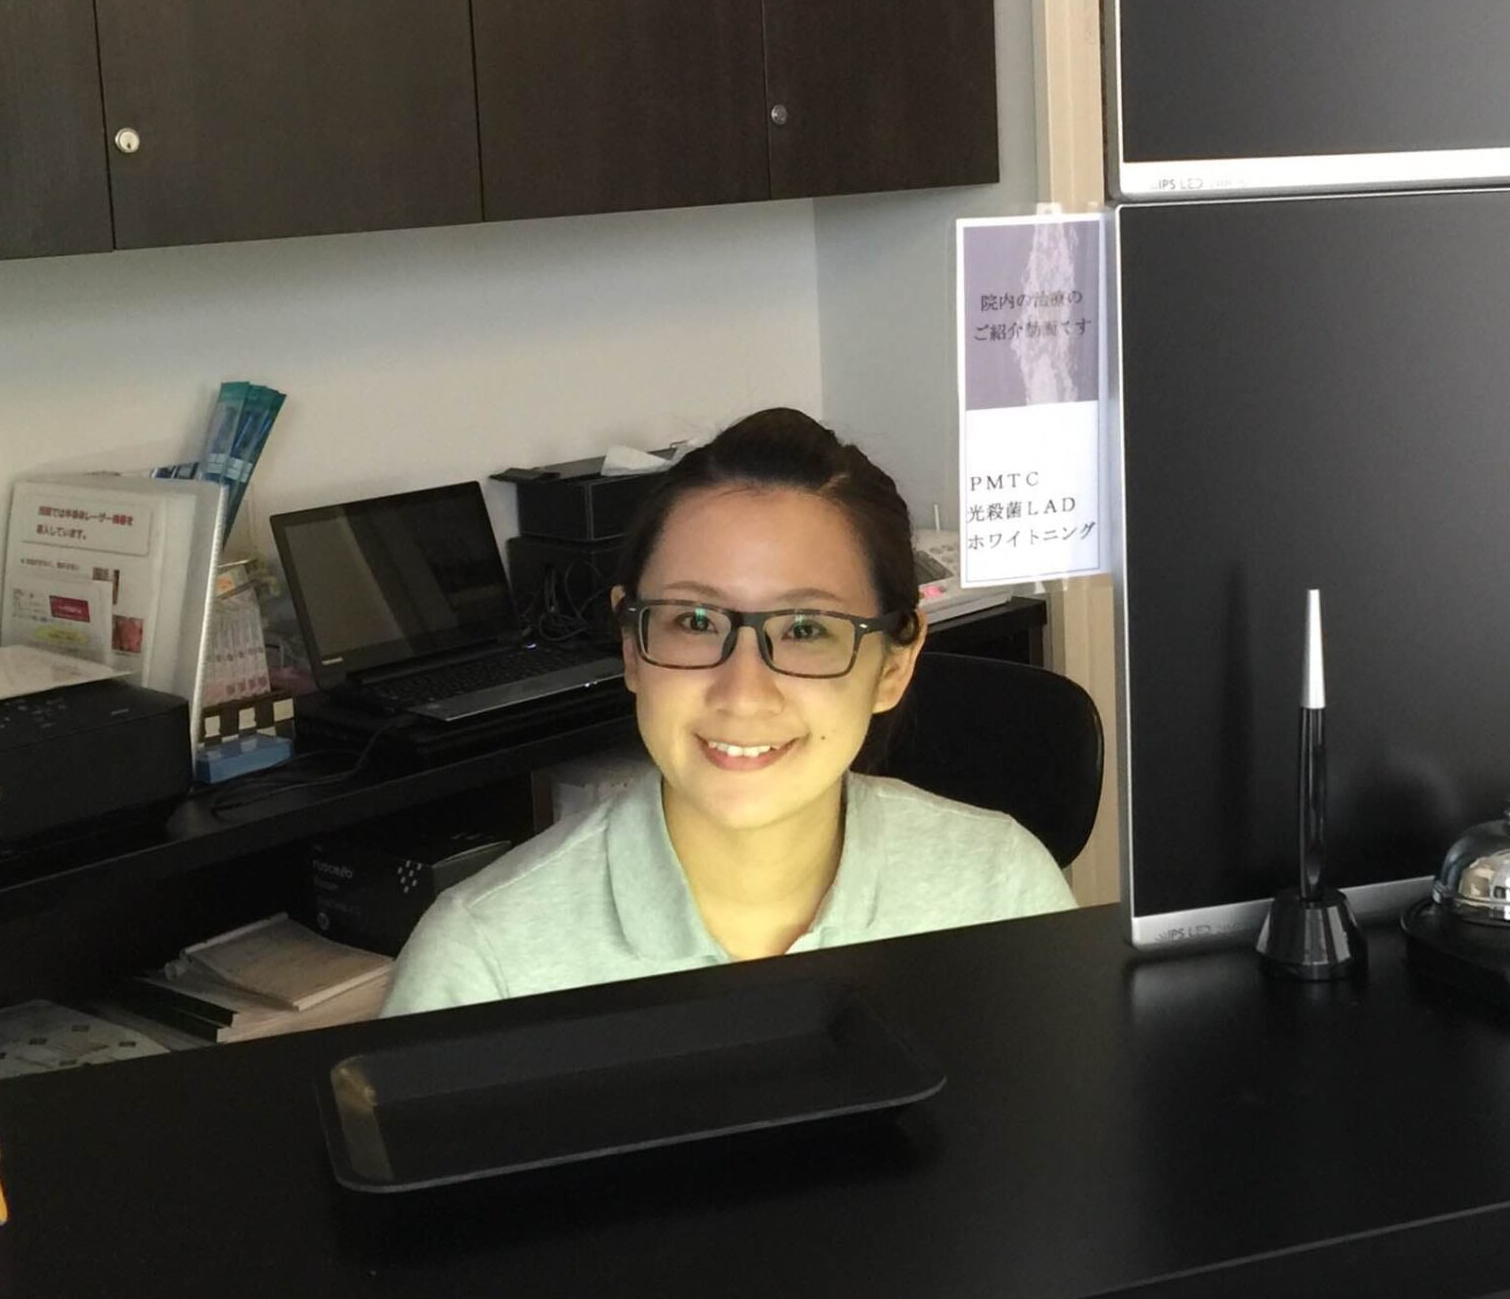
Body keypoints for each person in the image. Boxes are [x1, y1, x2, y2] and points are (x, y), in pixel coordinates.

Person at [382, 408, 1075, 1013]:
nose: (742, 692)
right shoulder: (483, 963)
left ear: (893, 665)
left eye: (806, 629)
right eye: (693, 621)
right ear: (631, 646)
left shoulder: (1000, 892)